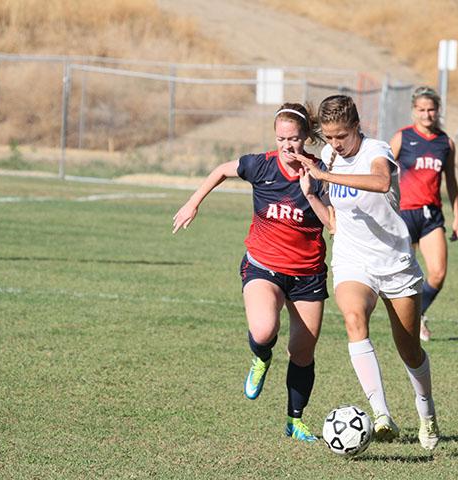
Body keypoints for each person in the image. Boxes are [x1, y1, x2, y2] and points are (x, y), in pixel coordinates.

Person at [172, 103, 332, 443]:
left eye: (294, 139)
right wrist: (193, 202)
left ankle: (295, 420)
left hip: (308, 274)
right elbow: (220, 170)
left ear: (306, 138)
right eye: (281, 138)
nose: (287, 146)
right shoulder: (260, 165)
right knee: (263, 330)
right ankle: (261, 357)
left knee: (302, 353)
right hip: (264, 265)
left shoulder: (320, 172)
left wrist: (311, 193)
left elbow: (332, 223)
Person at [296, 94, 440, 451]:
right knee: (353, 317)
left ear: (356, 127)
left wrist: (325, 174)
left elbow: (380, 182)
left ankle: (427, 413)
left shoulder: (376, 150)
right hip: (352, 260)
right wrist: (313, 194)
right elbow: (334, 222)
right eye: (329, 137)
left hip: (394, 262)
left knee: (409, 351)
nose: (334, 144)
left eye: (341, 136)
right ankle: (380, 416)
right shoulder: (329, 156)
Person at [390, 86, 458, 342]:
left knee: (438, 273)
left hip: (432, 216)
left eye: (431, 109)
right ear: (413, 111)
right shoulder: (402, 137)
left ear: (438, 110)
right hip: (403, 214)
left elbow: (451, 181)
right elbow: (381, 170)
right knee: (403, 275)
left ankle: (417, 314)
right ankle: (406, 322)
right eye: (421, 110)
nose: (426, 114)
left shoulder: (445, 142)